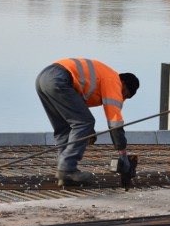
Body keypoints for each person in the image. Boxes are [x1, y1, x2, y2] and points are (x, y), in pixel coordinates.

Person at [36, 57, 139, 186]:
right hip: (60, 79)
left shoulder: (98, 79)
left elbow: (77, 109)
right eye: (124, 94)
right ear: (123, 83)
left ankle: (66, 174)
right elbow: (114, 123)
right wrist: (123, 155)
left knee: (64, 128)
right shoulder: (114, 80)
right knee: (85, 123)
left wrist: (89, 131)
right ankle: (67, 168)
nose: (121, 98)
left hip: (43, 78)